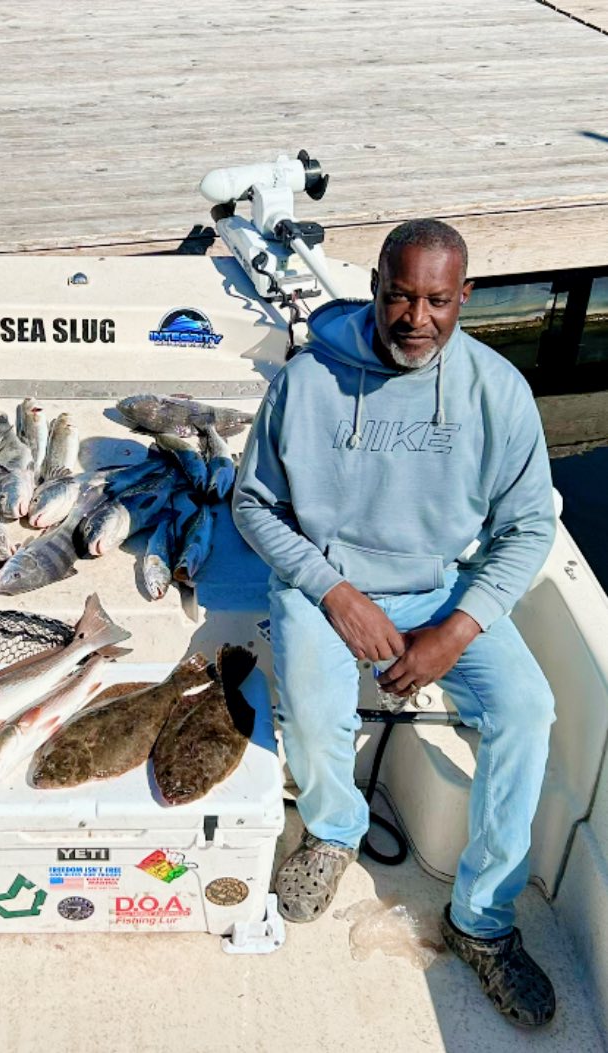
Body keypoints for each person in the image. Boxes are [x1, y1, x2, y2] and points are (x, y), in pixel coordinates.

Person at [232, 219, 558, 1028]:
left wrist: (459, 627)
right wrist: (335, 593)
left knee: (528, 708)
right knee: (313, 696)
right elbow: (254, 504)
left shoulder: (497, 390)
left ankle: (481, 917)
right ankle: (334, 829)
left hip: (442, 588)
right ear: (375, 287)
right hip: (328, 583)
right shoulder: (306, 380)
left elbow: (528, 527)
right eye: (400, 296)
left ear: (465, 297)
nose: (417, 318)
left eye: (437, 300)